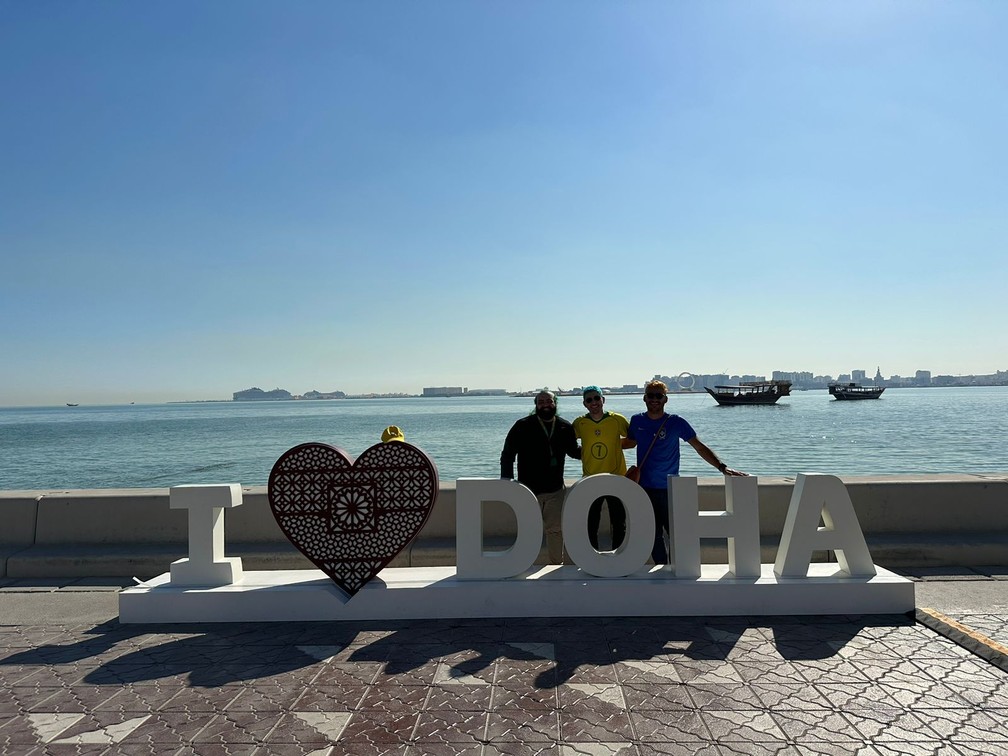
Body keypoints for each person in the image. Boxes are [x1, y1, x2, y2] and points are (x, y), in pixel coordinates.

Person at [628, 380, 746, 564]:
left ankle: (678, 570)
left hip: (670, 488)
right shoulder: (636, 421)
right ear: (644, 398)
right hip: (644, 488)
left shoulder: (676, 422)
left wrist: (722, 467)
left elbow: (699, 447)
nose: (654, 399)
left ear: (665, 399)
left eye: (658, 396)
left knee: (677, 533)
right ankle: (663, 568)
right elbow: (629, 442)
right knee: (652, 534)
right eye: (650, 395)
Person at [500, 390, 581, 564]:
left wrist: (600, 449)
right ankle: (523, 566)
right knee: (528, 530)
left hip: (555, 490)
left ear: (555, 403)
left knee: (555, 530)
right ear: (536, 404)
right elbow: (507, 455)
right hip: (528, 490)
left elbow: (575, 452)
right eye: (541, 401)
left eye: (549, 401)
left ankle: (555, 564)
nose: (545, 404)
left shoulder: (565, 426)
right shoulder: (522, 426)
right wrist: (507, 481)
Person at [572, 386, 635, 551]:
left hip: (616, 477)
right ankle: (592, 555)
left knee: (618, 520)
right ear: (584, 404)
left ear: (603, 400)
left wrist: (615, 445)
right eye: (589, 400)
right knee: (591, 520)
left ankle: (620, 556)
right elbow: (569, 445)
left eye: (596, 398)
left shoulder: (617, 419)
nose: (594, 403)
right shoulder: (580, 423)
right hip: (591, 478)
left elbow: (633, 440)